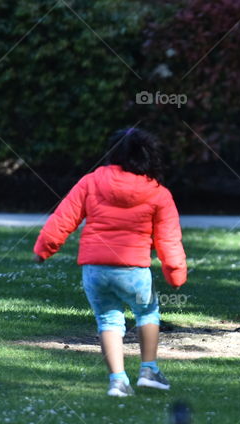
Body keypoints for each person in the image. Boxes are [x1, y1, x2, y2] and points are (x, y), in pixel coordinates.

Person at [33, 128, 186, 397]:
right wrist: (175, 274)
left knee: (108, 321)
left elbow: (63, 219)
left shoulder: (91, 182)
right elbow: (169, 239)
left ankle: (118, 381)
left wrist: (44, 249)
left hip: (95, 270)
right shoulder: (158, 193)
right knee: (147, 313)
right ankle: (149, 370)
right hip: (134, 270)